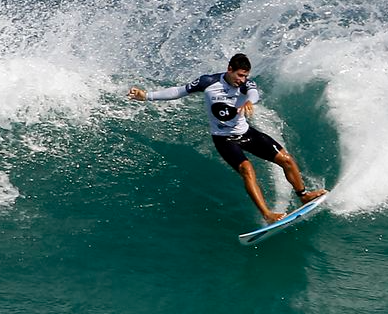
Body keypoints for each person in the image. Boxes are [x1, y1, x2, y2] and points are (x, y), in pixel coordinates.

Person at [128, 53, 327, 224]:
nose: (242, 79)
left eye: (245, 76)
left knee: (287, 160)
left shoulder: (245, 84)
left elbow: (254, 92)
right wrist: (147, 96)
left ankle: (304, 195)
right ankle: (268, 215)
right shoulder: (208, 82)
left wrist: (250, 100)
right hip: (224, 139)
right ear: (229, 69)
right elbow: (179, 91)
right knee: (247, 169)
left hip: (246, 133)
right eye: (240, 75)